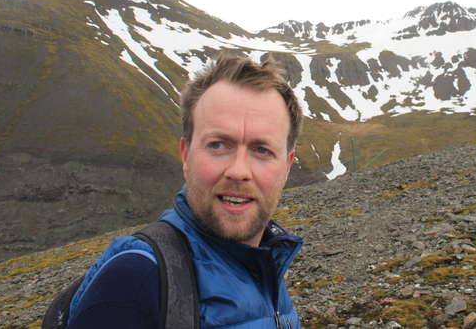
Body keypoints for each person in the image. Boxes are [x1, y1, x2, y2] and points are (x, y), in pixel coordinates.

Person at [67, 54, 304, 329]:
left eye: (262, 150)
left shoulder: (267, 264)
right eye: (218, 145)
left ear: (287, 166)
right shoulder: (135, 282)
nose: (238, 171)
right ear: (186, 155)